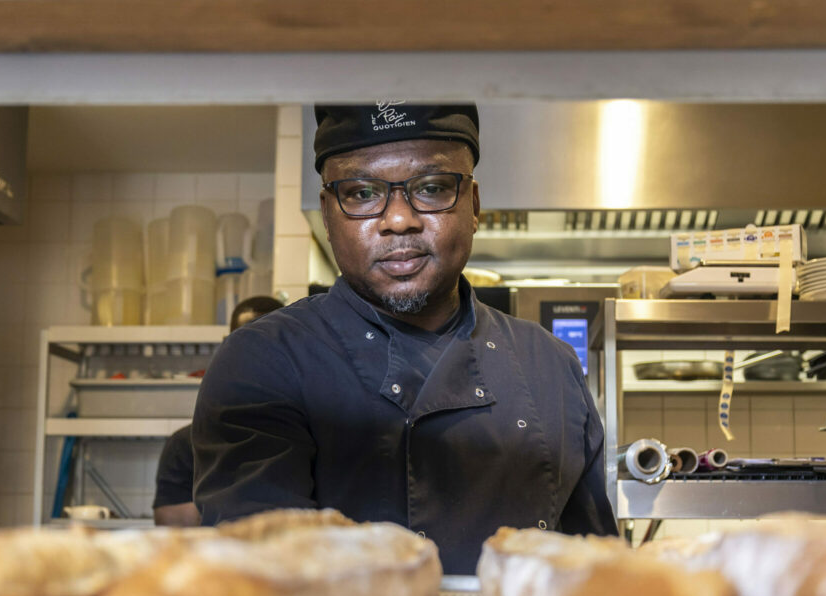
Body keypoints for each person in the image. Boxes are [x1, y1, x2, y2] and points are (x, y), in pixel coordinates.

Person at [192, 102, 616, 572]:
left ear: (473, 205)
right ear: (328, 214)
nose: (398, 219)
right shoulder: (264, 361)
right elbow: (262, 582)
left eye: (432, 188)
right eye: (360, 193)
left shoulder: (550, 364)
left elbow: (595, 575)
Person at [152, 295, 284, 526]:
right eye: (247, 342)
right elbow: (170, 520)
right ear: (229, 345)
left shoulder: (320, 431)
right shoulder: (187, 443)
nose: (259, 356)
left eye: (271, 344)